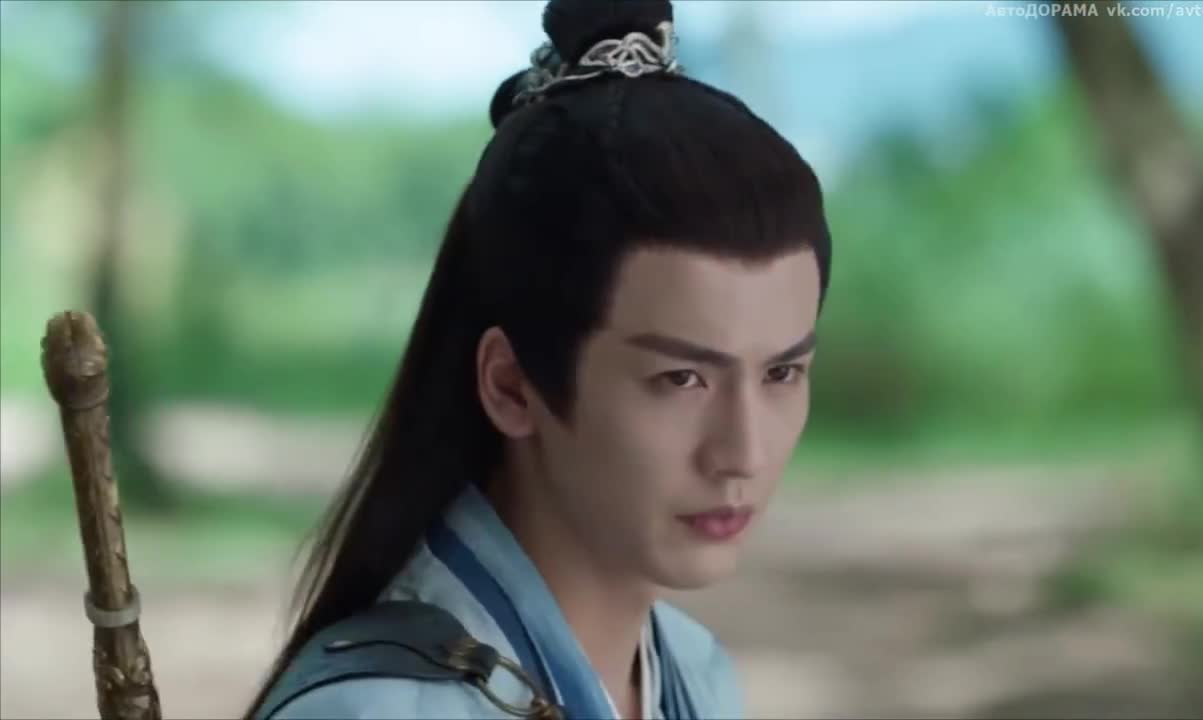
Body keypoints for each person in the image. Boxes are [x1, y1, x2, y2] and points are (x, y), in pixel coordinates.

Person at [245, 0, 832, 717]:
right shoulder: (380, 710)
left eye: (781, 373)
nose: (743, 453)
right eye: (681, 379)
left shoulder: (696, 675)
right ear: (512, 385)